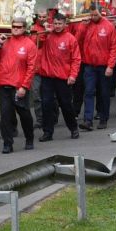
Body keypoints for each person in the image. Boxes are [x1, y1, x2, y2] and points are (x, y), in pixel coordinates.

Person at [0, 18, 40, 152]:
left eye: (19, 27)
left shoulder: (29, 44)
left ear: (24, 28)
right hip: (4, 84)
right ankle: (7, 144)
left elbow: (31, 67)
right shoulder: (4, 41)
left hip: (19, 86)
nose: (16, 29)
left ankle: (29, 138)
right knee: (5, 116)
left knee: (24, 114)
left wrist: (24, 86)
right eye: (14, 26)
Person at [37, 14, 83, 142]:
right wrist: (44, 32)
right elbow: (36, 42)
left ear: (65, 24)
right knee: (46, 104)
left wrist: (73, 75)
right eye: (55, 23)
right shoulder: (47, 35)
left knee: (66, 104)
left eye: (59, 24)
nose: (57, 26)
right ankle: (47, 132)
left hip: (63, 77)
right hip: (47, 76)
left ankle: (73, 128)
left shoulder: (70, 39)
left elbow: (76, 59)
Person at [78, 7, 116, 130]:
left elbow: (114, 48)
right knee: (89, 92)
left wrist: (110, 66)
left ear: (101, 13)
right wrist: (82, 27)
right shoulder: (86, 25)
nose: (93, 17)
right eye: (91, 15)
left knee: (104, 93)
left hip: (104, 66)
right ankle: (88, 120)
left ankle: (103, 118)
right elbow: (77, 41)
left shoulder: (109, 26)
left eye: (95, 15)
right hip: (89, 65)